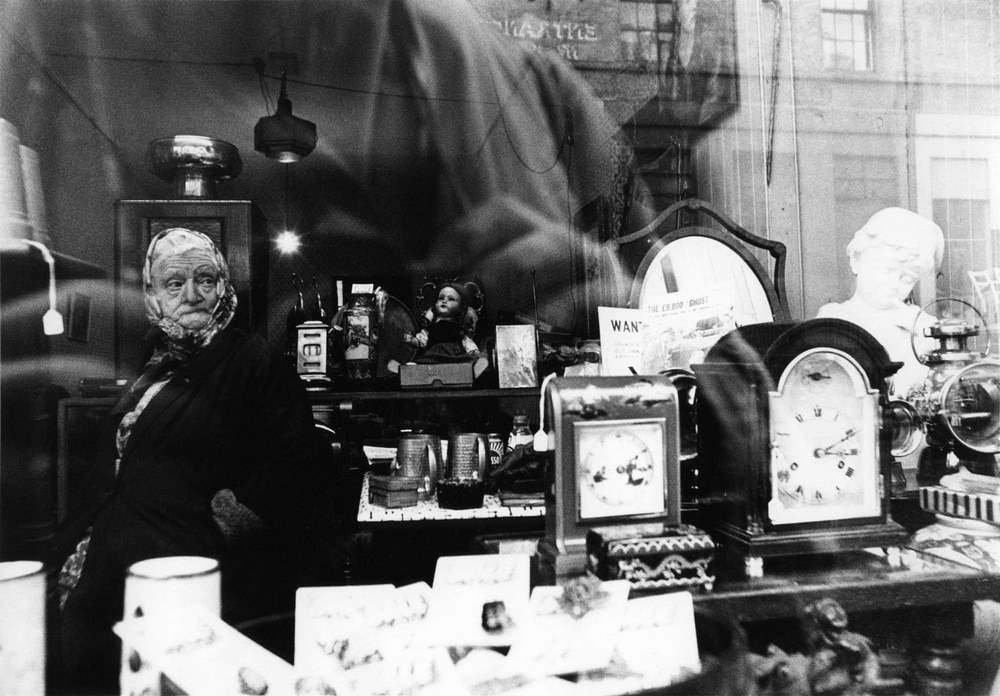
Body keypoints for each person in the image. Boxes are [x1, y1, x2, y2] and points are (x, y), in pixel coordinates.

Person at [50, 227, 336, 692]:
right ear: (153, 292)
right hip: (111, 563)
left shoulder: (253, 359)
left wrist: (227, 521)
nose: (192, 294)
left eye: (205, 279)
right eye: (174, 282)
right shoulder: (155, 361)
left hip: (190, 575)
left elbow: (295, 465)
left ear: (223, 286)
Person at [816, 207, 944, 398]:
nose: (893, 284)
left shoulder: (922, 325)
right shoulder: (834, 320)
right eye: (886, 270)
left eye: (907, 279)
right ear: (856, 260)